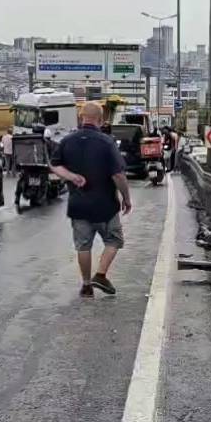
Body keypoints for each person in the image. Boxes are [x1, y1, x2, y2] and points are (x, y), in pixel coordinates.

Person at [50, 102, 133, 297]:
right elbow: (118, 175)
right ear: (101, 120)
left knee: (83, 246)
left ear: (81, 117)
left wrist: (72, 177)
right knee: (114, 240)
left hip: (78, 205)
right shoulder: (106, 142)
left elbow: (55, 165)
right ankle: (101, 275)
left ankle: (86, 285)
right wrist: (126, 198)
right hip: (106, 206)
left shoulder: (67, 141)